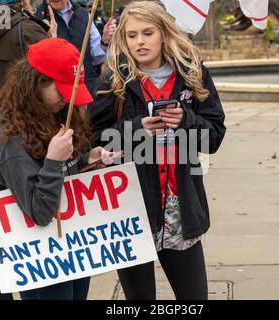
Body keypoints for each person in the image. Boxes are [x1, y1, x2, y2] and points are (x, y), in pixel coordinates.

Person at [87, 1, 226, 300]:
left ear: (163, 33)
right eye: (132, 35)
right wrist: (136, 129)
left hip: (181, 208)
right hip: (132, 208)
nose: (139, 42)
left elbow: (214, 137)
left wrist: (186, 121)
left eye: (147, 33)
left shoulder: (193, 73)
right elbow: (93, 141)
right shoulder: (113, 79)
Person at [0, 37, 110, 300]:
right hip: (42, 256)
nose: (67, 100)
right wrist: (54, 161)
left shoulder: (52, 113)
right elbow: (39, 212)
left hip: (72, 245)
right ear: (36, 82)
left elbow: (64, 171)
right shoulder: (11, 139)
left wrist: (85, 159)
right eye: (62, 91)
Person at [0, 0, 56, 300]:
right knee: (31, 225)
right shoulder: (29, 29)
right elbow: (56, 71)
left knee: (1, 227)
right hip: (28, 140)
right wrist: (52, 37)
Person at [34, 0, 116, 90]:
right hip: (59, 91)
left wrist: (105, 41)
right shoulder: (36, 17)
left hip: (88, 87)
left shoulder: (84, 14)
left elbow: (95, 57)